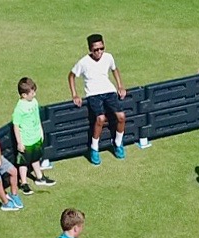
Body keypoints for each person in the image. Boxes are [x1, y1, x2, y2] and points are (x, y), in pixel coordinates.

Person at [68, 34, 127, 165]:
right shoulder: (83, 62)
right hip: (93, 94)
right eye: (96, 50)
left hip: (109, 91)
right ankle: (94, 148)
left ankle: (118, 143)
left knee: (121, 116)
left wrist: (120, 86)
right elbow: (71, 76)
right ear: (90, 49)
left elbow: (114, 69)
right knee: (100, 119)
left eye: (102, 48)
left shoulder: (108, 57)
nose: (99, 52)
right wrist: (74, 94)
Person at [13, 77, 56, 194]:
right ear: (24, 95)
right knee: (23, 163)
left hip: (36, 137)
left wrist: (41, 131)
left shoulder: (35, 102)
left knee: (36, 158)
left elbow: (37, 118)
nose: (34, 94)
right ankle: (24, 182)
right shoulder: (19, 108)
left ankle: (39, 177)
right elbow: (16, 126)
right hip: (25, 140)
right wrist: (19, 143)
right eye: (32, 93)